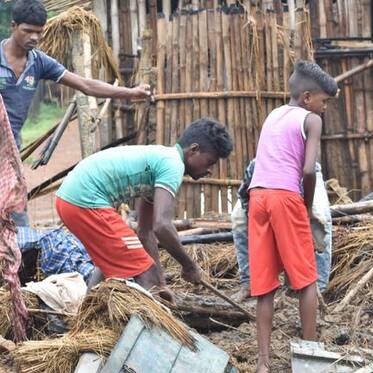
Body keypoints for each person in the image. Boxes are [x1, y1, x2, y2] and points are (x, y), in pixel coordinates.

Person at [54, 118, 233, 304]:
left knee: (113, 257)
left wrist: (161, 284)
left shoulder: (160, 161)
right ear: (193, 150)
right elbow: (162, 226)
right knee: (143, 269)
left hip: (68, 199)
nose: (210, 170)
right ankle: (156, 330)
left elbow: (146, 232)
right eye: (210, 162)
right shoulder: (173, 165)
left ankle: (85, 320)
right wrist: (189, 266)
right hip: (85, 200)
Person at [3, 0, 150, 226]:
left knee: (15, 208)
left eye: (38, 32)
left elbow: (85, 84)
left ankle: (21, 255)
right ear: (14, 27)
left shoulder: (39, 62)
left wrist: (130, 92)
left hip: (11, 148)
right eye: (27, 31)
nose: (33, 37)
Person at [248, 60, 337, 373]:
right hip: (285, 198)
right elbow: (308, 170)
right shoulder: (311, 120)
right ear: (308, 97)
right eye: (324, 101)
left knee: (264, 286)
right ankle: (310, 353)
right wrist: (307, 208)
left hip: (258, 198)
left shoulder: (273, 115)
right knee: (306, 280)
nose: (325, 108)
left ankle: (263, 362)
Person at [230, 159, 332, 302]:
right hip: (270, 188)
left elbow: (307, 177)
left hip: (306, 176)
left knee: (320, 219)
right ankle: (249, 282)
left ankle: (319, 288)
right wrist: (256, 220)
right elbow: (244, 195)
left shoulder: (302, 165)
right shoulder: (257, 167)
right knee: (238, 218)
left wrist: (307, 211)